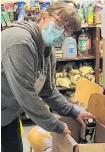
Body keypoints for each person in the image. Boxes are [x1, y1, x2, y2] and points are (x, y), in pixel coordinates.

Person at [1, 2, 94, 152]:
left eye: (68, 32)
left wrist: (74, 111)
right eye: (59, 24)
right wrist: (55, 125)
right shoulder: (19, 42)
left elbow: (48, 91)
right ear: (44, 16)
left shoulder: (48, 51)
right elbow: (26, 96)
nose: (62, 33)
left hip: (8, 111)